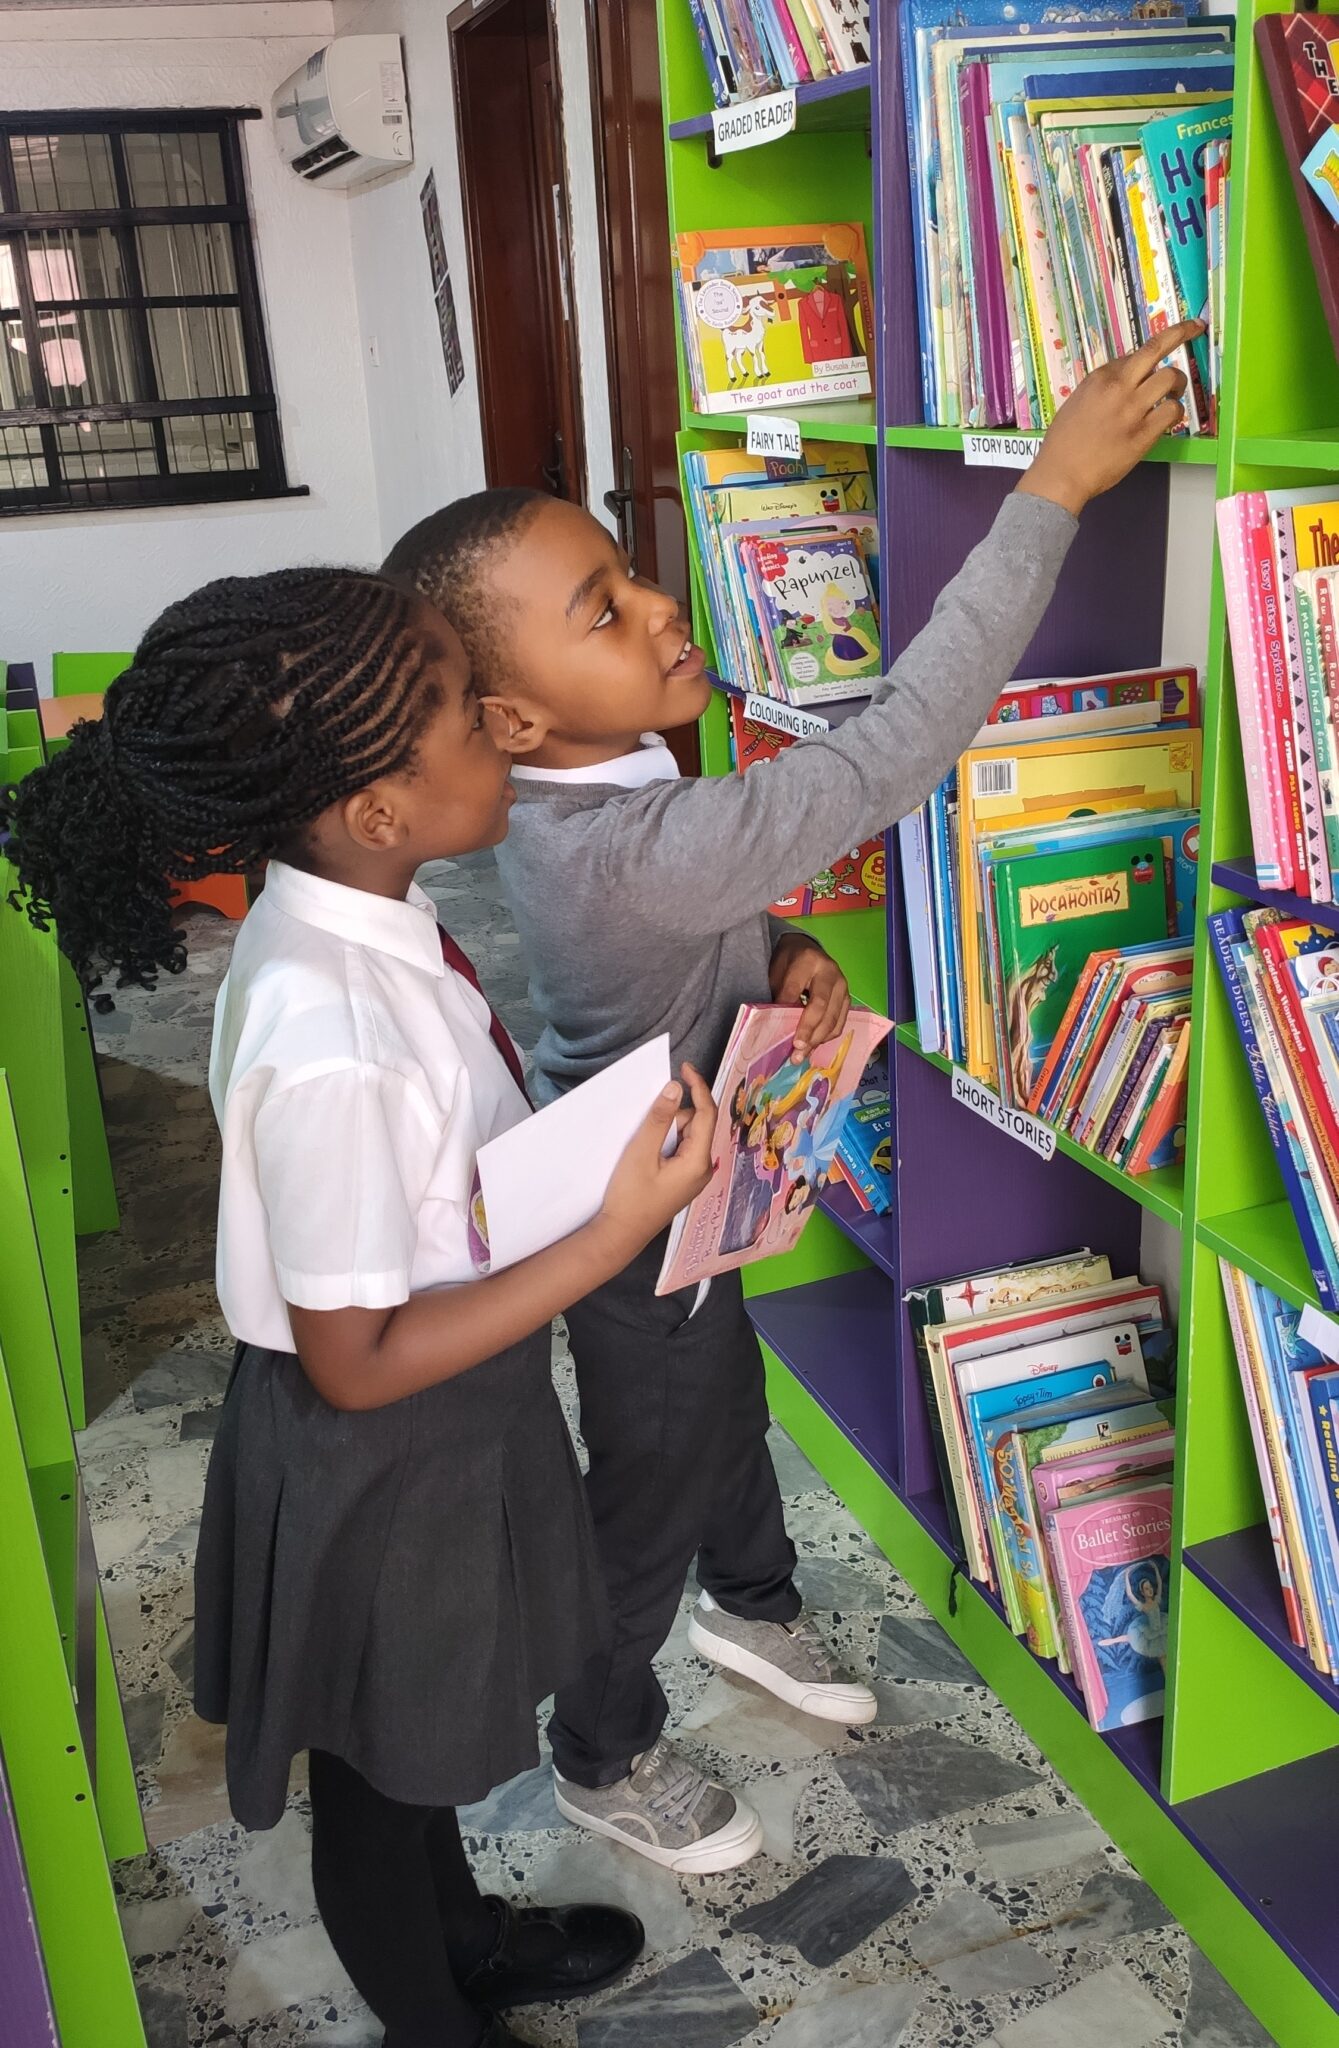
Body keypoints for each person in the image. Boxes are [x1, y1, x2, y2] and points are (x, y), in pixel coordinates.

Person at [383, 322, 1201, 1873]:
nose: (662, 607)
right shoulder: (636, 843)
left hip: (684, 1179)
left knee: (723, 1410)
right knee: (652, 1479)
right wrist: (1053, 493)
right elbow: (895, 747)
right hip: (641, 1216)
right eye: (603, 613)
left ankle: (751, 1602)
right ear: (510, 720)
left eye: (632, 574)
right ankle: (604, 1745)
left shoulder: (602, 803)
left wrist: (789, 945)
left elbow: (699, 918)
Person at [1, 569, 720, 2048]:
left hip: (453, 1430)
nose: (504, 723)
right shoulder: (330, 1031)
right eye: (465, 709)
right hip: (386, 1461)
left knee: (422, 1752)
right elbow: (354, 1358)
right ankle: (430, 2017)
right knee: (382, 1799)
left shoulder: (364, 923)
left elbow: (431, 1180)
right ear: (380, 812)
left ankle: (464, 1938)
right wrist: (610, 1234)